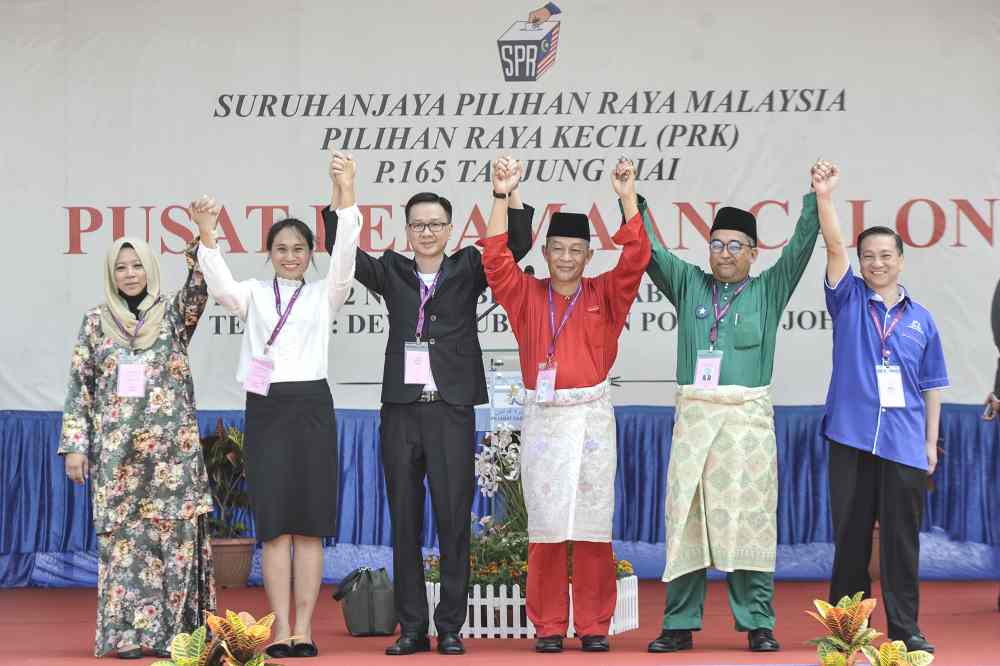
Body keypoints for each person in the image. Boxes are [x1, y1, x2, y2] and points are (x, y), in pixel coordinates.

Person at [322, 159, 534, 656]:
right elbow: (342, 249)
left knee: (454, 518)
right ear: (407, 228)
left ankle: (451, 626)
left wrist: (506, 194)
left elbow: (515, 246)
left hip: (451, 410)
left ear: (449, 229)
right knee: (405, 520)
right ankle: (412, 627)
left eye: (436, 224)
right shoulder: (392, 270)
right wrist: (343, 189)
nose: (427, 232)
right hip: (401, 410)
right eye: (418, 224)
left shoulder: (467, 267)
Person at [644, 163, 824, 654]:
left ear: (753, 251)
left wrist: (816, 197)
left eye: (735, 246)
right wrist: (628, 198)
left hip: (746, 426)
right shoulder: (689, 284)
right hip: (696, 421)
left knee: (750, 521)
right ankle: (678, 624)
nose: (724, 254)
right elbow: (652, 252)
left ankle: (759, 623)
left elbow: (802, 246)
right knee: (686, 521)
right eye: (717, 245)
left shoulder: (770, 288)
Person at [192, 152, 361, 659]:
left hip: (311, 407)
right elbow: (219, 286)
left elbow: (347, 252)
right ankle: (279, 628)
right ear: (269, 253)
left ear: (311, 254)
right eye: (281, 248)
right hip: (266, 409)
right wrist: (207, 232)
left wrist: (346, 193)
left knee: (307, 527)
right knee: (273, 528)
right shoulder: (253, 294)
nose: (290, 255)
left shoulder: (324, 294)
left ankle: (305, 628)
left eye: (299, 248)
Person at [481, 156, 650, 653]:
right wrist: (500, 196)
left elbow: (637, 257)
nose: (567, 258)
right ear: (547, 251)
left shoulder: (606, 294)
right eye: (558, 249)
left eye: (577, 250)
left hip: (594, 420)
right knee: (548, 528)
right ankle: (550, 625)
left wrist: (626, 197)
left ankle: (595, 625)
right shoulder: (526, 295)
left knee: (594, 528)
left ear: (588, 254)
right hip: (545, 422)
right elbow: (494, 258)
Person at [59, 236, 215, 659]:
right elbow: (81, 388)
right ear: (112, 275)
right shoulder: (95, 322)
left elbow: (200, 288)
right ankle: (127, 637)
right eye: (121, 268)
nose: (129, 275)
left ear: (150, 269)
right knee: (126, 547)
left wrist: (204, 240)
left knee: (175, 546)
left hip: (172, 458)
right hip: (119, 458)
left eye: (137, 266)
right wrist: (76, 445)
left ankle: (177, 637)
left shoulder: (173, 317)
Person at [816, 161, 947, 654]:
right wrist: (825, 197)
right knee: (850, 540)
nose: (876, 263)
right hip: (850, 436)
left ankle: (905, 629)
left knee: (900, 543)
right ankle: (845, 630)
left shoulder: (923, 321)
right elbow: (832, 247)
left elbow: (933, 385)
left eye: (885, 255)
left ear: (901, 259)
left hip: (906, 443)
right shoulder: (847, 299)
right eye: (868, 255)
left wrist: (931, 443)